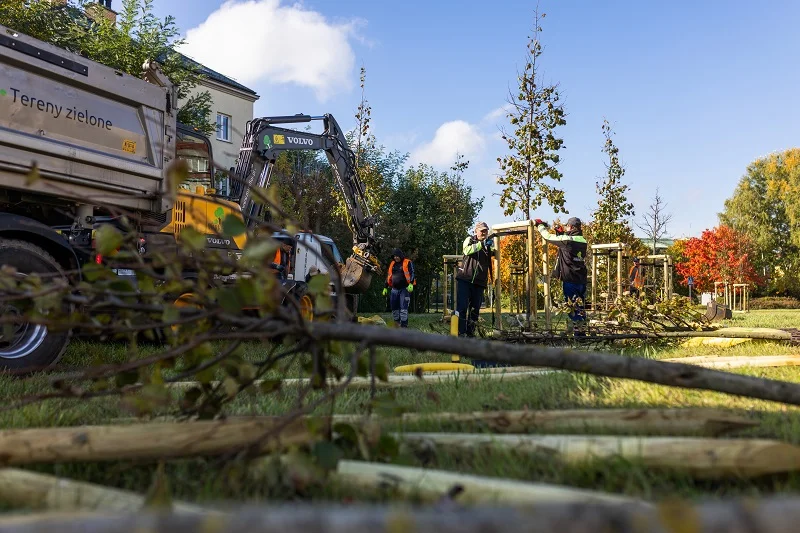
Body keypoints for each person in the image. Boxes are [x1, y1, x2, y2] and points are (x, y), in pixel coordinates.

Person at [534, 217, 588, 333]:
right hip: (581, 279)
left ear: (572, 227)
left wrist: (540, 226)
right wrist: (561, 233)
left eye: (567, 226)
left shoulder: (568, 240)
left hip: (570, 280)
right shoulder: (582, 240)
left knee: (572, 307)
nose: (566, 228)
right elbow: (568, 248)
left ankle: (580, 335)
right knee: (580, 307)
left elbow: (547, 237)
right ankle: (582, 331)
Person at [455, 221, 495, 338]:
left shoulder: (488, 245)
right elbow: (466, 250)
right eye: (481, 230)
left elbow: (491, 256)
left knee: (475, 310)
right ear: (475, 231)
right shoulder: (470, 240)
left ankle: (470, 333)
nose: (484, 233)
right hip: (465, 279)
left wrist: (491, 249)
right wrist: (481, 244)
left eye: (486, 231)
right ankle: (461, 332)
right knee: (462, 307)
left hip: (479, 282)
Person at [382, 248, 415, 328]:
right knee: (394, 308)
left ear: (400, 256)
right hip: (394, 289)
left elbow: (412, 273)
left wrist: (411, 283)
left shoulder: (407, 262)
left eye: (397, 256)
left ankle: (404, 325)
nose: (396, 258)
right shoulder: (392, 264)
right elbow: (389, 275)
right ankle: (396, 324)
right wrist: (385, 287)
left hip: (404, 289)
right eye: (394, 256)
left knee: (403, 308)